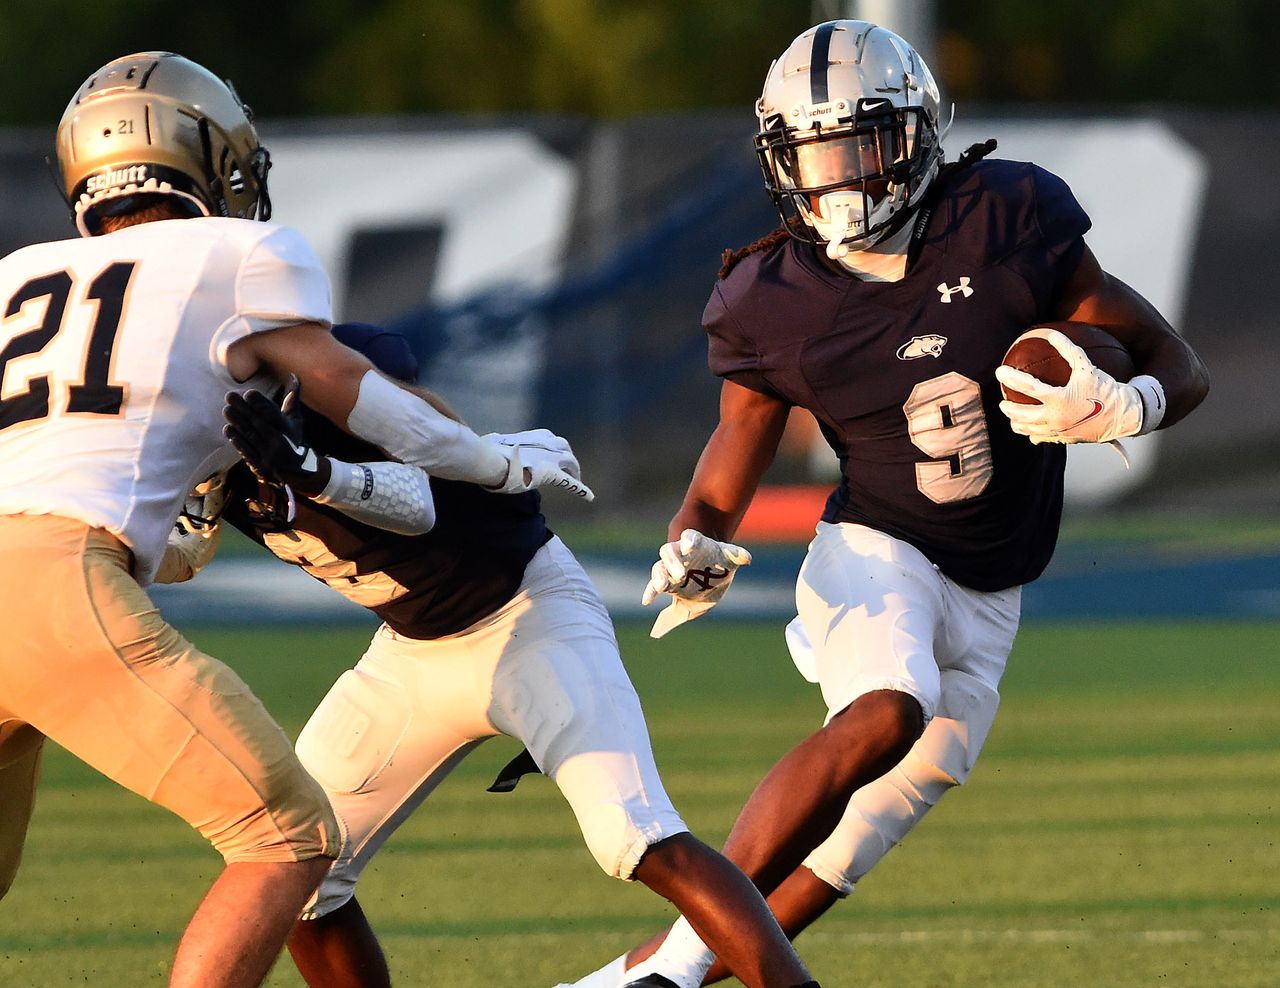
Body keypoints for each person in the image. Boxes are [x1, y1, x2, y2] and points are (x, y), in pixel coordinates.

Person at [564, 19, 1210, 988]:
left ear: (912, 136)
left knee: (860, 832)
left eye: (855, 146)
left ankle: (636, 982)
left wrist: (1129, 400)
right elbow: (739, 432)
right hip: (875, 549)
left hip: (993, 585)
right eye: (810, 152)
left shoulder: (1002, 216)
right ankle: (700, 970)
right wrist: (695, 532)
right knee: (884, 711)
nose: (832, 178)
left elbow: (1173, 361)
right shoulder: (767, 292)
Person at [0, 51, 585, 988]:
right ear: (210, 158)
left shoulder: (20, 274)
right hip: (61, 586)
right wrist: (498, 461)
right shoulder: (235, 256)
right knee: (290, 840)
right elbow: (373, 406)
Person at [153, 321, 821, 988]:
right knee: (294, 868)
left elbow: (416, 505)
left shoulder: (339, 405)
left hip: (530, 617)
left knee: (635, 836)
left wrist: (311, 470)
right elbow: (181, 556)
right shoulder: (217, 446)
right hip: (411, 655)